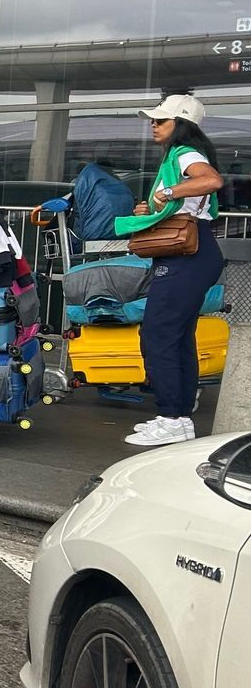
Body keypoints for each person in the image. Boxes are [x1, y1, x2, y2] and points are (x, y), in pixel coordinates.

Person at [123, 94, 225, 448]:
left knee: (157, 335)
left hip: (187, 253)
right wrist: (150, 206)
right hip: (194, 252)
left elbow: (211, 181)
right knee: (179, 338)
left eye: (161, 120)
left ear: (181, 125)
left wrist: (167, 192)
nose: (153, 124)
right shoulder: (177, 155)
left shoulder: (184, 154)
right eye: (153, 119)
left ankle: (170, 417)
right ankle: (178, 419)